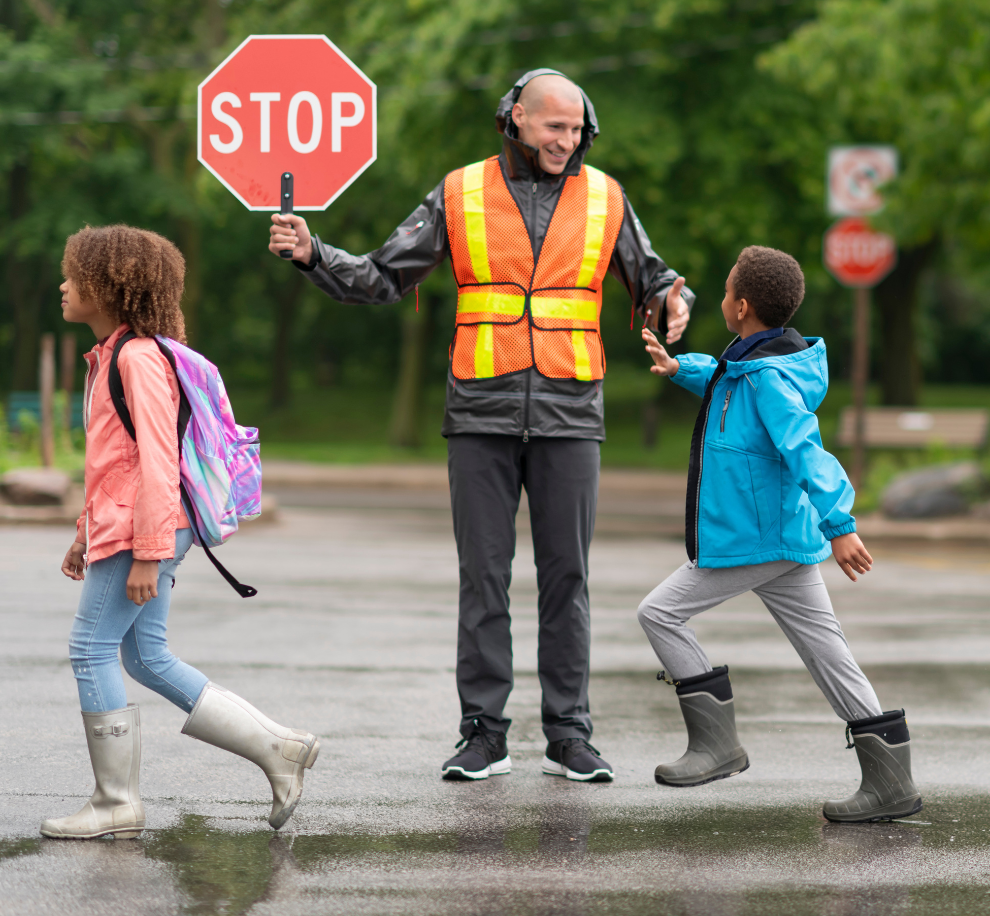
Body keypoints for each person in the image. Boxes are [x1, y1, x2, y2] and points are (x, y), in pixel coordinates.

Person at [269, 69, 694, 782]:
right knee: (484, 579)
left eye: (576, 129)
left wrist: (672, 301)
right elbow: (382, 275)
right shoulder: (460, 191)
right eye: (554, 126)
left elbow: (652, 277)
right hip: (479, 411)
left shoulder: (605, 198)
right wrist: (315, 254)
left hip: (569, 412)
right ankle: (482, 735)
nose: (568, 140)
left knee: (568, 578)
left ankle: (570, 735)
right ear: (516, 119)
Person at [41, 225, 320, 840]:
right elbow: (117, 463)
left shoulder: (137, 357)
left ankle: (116, 802)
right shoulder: (114, 355)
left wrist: (148, 551)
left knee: (90, 648)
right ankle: (280, 751)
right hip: (132, 526)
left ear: (109, 286)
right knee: (146, 656)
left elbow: (160, 461)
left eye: (74, 275)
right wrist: (86, 532)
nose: (63, 285)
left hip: (148, 529)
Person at [637, 245, 921, 822]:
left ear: (741, 306)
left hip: (755, 539)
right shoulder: (755, 362)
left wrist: (839, 524)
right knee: (827, 652)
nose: (718, 300)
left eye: (722, 292)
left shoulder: (766, 376)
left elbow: (803, 448)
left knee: (659, 613)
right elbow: (726, 391)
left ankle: (716, 746)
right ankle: (891, 781)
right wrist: (679, 368)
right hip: (781, 539)